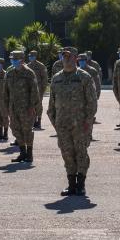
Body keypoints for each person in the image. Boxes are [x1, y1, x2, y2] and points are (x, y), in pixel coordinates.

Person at [47, 47, 97, 195]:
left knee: (81, 153)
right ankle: (71, 184)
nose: (66, 59)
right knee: (67, 153)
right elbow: (51, 106)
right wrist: (55, 123)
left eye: (69, 57)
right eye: (64, 56)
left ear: (76, 58)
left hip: (81, 124)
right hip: (62, 125)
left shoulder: (84, 77)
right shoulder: (56, 79)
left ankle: (81, 184)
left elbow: (92, 103)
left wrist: (88, 122)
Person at [5, 51, 40, 162]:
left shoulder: (29, 73)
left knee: (27, 130)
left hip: (26, 108)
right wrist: (6, 107)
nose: (13, 61)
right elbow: (5, 92)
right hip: (13, 108)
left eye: (15, 59)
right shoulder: (9, 73)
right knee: (15, 129)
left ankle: (29, 154)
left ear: (22, 60)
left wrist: (32, 106)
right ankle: (22, 153)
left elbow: (34, 91)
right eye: (12, 59)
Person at [26, 50, 48, 128]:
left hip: (39, 89)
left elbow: (45, 79)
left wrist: (42, 90)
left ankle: (39, 121)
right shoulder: (27, 66)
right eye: (29, 56)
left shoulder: (41, 66)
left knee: (38, 105)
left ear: (35, 57)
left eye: (32, 56)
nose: (30, 57)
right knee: (31, 105)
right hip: (30, 90)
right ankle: (33, 121)